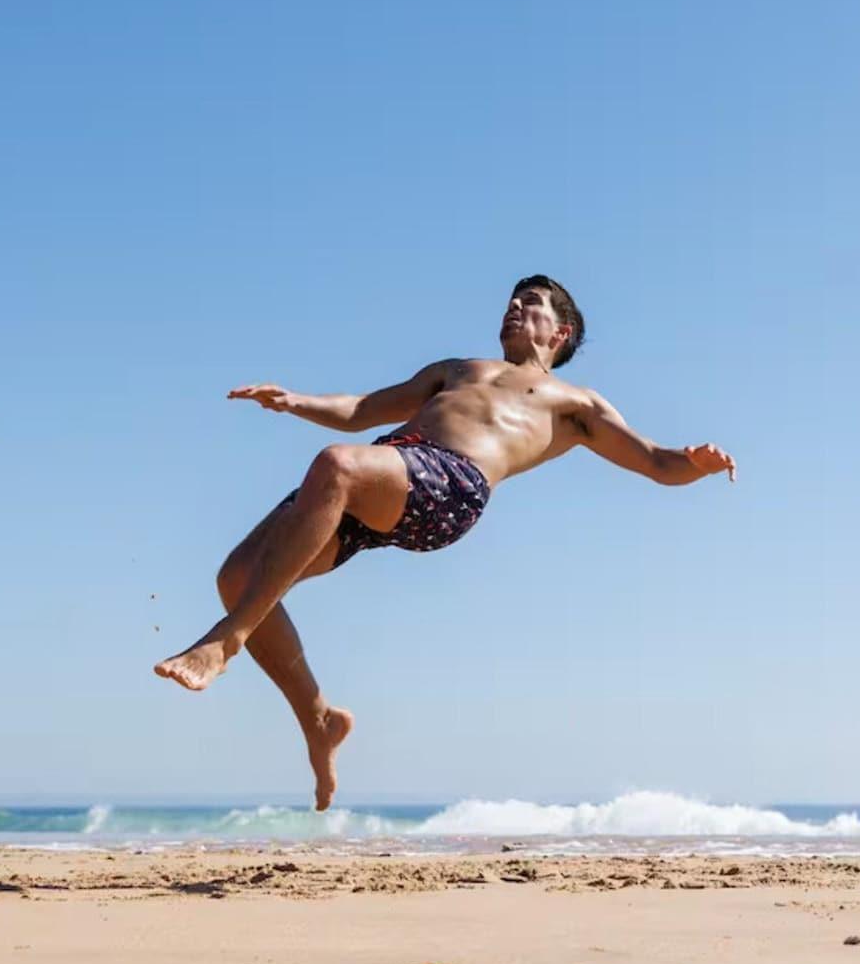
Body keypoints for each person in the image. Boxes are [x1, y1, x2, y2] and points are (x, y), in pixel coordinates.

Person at [154, 275, 736, 809]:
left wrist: (696, 463)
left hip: (450, 484)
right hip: (384, 470)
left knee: (335, 465)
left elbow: (656, 461)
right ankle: (320, 719)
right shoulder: (458, 370)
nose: (514, 306)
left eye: (531, 303)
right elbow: (362, 409)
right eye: (512, 300)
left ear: (560, 332)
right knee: (237, 577)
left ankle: (225, 642)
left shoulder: (575, 403)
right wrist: (294, 402)